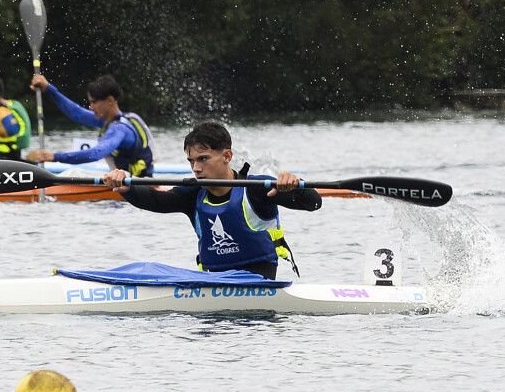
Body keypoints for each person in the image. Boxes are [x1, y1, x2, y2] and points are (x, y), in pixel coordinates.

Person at [102, 121, 320, 279]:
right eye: (191, 161)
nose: (196, 168)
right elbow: (155, 200)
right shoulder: (192, 194)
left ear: (227, 156)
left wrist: (295, 187)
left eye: (203, 159)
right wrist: (126, 187)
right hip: (212, 283)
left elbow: (314, 202)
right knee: (145, 268)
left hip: (258, 283)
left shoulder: (256, 189)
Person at [25, 73, 155, 176]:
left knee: (74, 174)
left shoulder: (119, 129)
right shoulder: (108, 120)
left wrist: (54, 157)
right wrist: (48, 88)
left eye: (93, 102)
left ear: (110, 100)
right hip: (123, 181)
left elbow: (95, 154)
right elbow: (76, 113)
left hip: (135, 187)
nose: (90, 107)